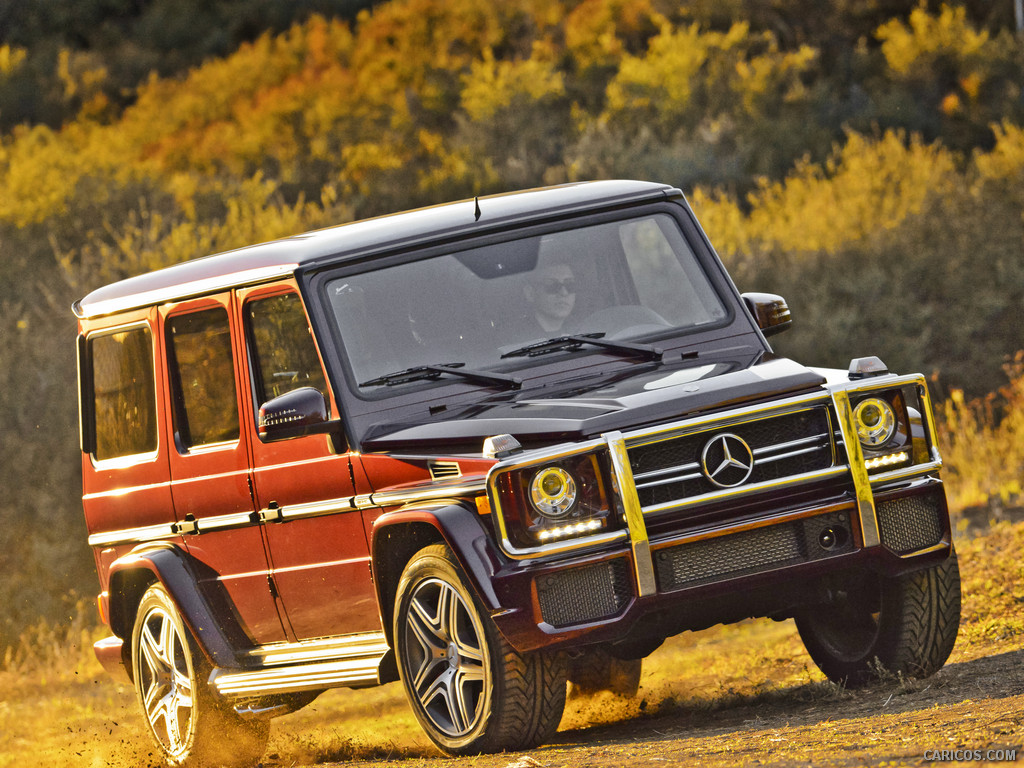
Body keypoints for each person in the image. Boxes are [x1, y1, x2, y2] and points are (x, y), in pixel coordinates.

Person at [523, 263, 576, 334]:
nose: (564, 293)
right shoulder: (514, 341)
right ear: (530, 294)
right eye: (552, 285)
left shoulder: (585, 330)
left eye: (570, 285)